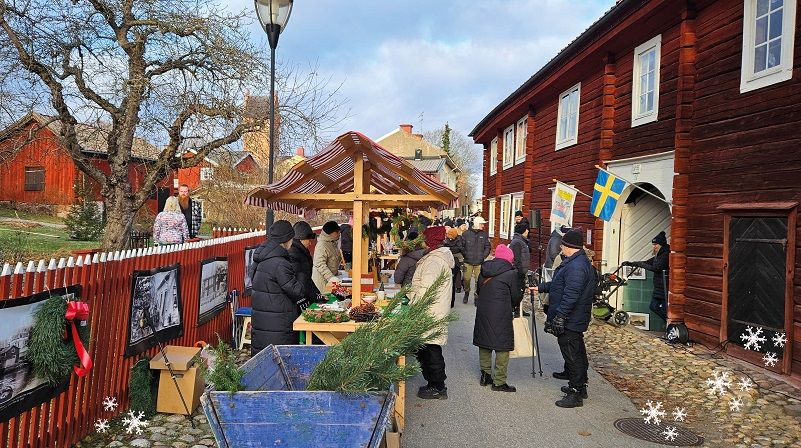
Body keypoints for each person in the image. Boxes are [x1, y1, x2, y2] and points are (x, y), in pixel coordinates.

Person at [534, 229, 596, 408]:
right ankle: (580, 384)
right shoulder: (575, 262)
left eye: (563, 244)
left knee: (572, 354)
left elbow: (571, 295)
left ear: (570, 247)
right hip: (574, 317)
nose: (560, 247)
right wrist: (542, 287)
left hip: (571, 318)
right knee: (576, 351)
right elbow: (560, 285)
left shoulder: (577, 266)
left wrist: (560, 316)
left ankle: (576, 391)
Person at [249, 220, 306, 355]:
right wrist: (302, 273)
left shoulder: (260, 258)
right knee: (281, 360)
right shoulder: (280, 264)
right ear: (286, 240)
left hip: (262, 322)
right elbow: (297, 292)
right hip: (279, 324)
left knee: (264, 361)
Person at [410, 227, 455, 399]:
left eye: (424, 238)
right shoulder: (435, 258)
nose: (421, 241)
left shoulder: (434, 261)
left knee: (430, 349)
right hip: (431, 309)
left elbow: (426, 290)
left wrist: (414, 306)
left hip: (429, 310)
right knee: (427, 348)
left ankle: (438, 386)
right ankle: (433, 383)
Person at [473, 244, 519, 392]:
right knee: (502, 345)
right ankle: (499, 381)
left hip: (483, 310)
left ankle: (485, 375)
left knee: (484, 341)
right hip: (501, 312)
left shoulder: (484, 270)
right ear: (509, 259)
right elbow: (516, 297)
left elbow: (479, 290)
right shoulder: (511, 273)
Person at [623, 231, 670, 322]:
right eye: (653, 244)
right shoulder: (658, 255)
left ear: (661, 245)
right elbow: (647, 262)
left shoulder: (666, 255)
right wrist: (631, 263)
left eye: (656, 244)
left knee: (664, 309)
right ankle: (669, 323)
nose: (654, 247)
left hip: (664, 288)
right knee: (653, 306)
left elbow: (656, 268)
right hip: (658, 287)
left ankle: (670, 325)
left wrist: (641, 264)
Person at [287, 221, 322, 313]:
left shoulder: (301, 251)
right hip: (298, 300)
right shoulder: (294, 253)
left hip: (303, 295)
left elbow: (307, 279)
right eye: (308, 240)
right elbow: (300, 281)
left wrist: (317, 294)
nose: (310, 243)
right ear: (300, 238)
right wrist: (315, 296)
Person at [462, 216, 491, 304]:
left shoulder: (484, 234)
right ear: (477, 224)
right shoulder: (466, 234)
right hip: (468, 261)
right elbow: (461, 246)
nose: (483, 226)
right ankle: (466, 292)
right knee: (466, 279)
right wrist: (465, 255)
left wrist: (484, 256)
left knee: (478, 281)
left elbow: (488, 246)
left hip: (479, 262)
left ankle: (476, 296)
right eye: (482, 224)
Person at [508, 222, 531, 316]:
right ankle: (515, 309)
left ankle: (518, 308)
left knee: (521, 290)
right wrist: (520, 272)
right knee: (518, 291)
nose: (528, 231)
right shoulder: (517, 242)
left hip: (521, 271)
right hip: (518, 271)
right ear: (523, 230)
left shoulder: (521, 241)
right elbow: (517, 259)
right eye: (527, 229)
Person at [312, 221, 341, 292]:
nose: (339, 234)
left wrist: (336, 272)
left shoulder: (332, 242)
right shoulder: (321, 245)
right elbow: (319, 264)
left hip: (330, 280)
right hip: (322, 282)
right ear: (330, 233)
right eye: (337, 232)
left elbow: (333, 259)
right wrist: (331, 277)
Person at [443, 227, 465, 305]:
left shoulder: (458, 239)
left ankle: (458, 286)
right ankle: (457, 285)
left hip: (455, 257)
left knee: (457, 270)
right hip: (451, 256)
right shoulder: (448, 239)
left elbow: (461, 248)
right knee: (455, 271)